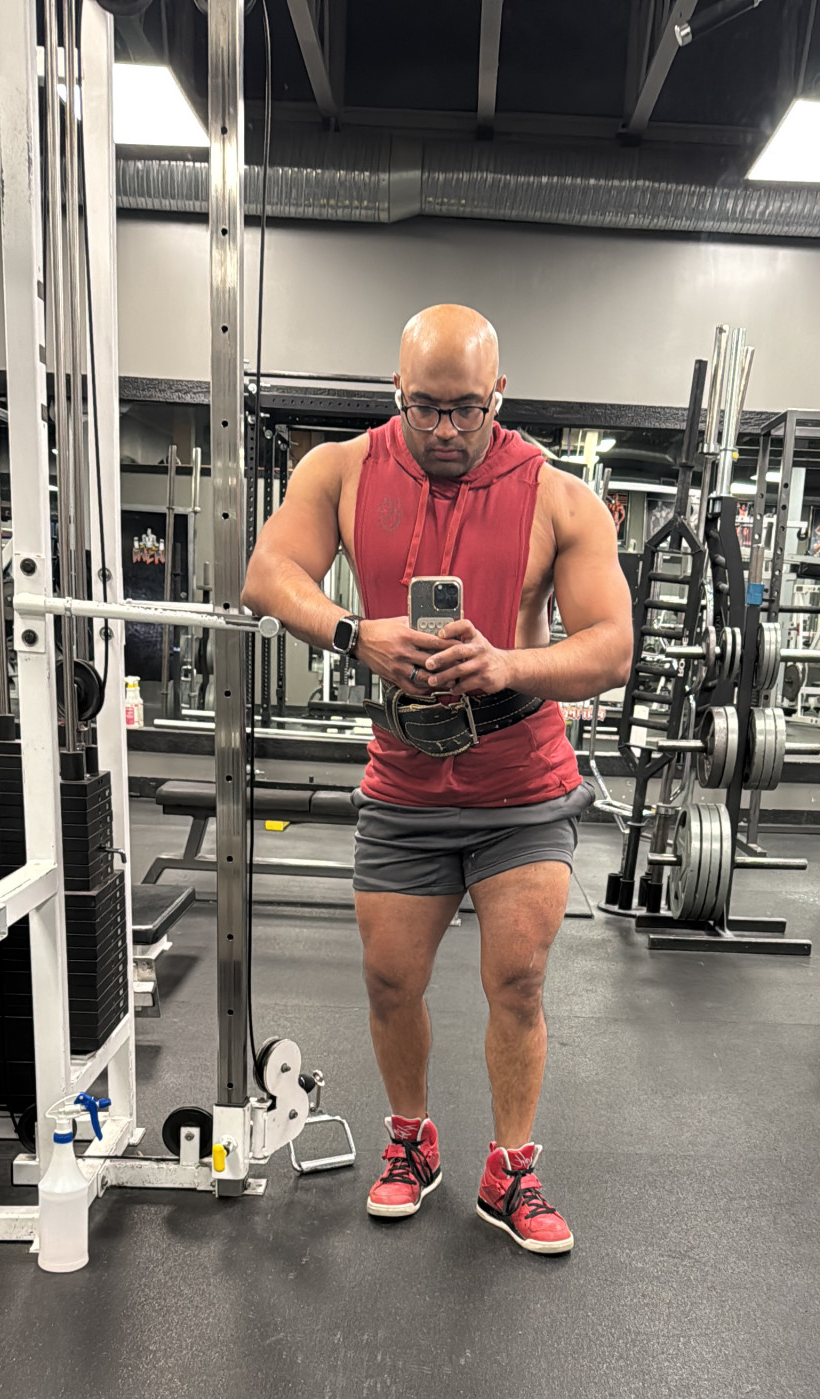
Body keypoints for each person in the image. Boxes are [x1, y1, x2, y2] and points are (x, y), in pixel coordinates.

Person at [242, 303, 633, 1255]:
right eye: (426, 408)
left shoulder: (559, 497)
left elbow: (612, 647)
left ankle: (511, 1169)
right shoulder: (339, 470)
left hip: (522, 782)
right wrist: (354, 633)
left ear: (499, 394)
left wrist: (507, 664)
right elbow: (267, 574)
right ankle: (412, 1143)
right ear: (397, 392)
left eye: (467, 408)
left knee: (518, 979)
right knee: (389, 980)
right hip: (405, 779)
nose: (447, 429)